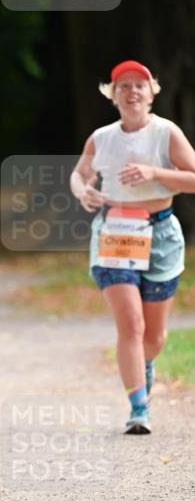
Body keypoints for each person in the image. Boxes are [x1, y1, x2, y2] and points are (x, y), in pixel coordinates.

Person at [71, 59, 195, 434]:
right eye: (123, 85)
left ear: (151, 91)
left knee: (153, 337)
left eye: (139, 84)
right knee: (131, 323)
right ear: (113, 95)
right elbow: (79, 174)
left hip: (159, 234)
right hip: (115, 230)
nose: (132, 91)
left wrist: (155, 173)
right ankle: (138, 408)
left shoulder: (166, 133)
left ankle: (144, 365)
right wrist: (85, 192)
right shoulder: (101, 138)